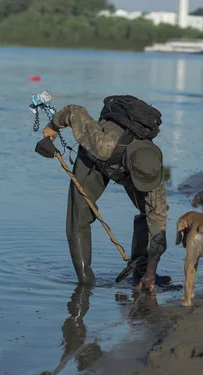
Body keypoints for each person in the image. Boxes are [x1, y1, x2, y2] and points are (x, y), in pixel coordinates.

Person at [38, 96, 170, 291]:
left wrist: (151, 272)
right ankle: (85, 282)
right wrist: (53, 126)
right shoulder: (102, 144)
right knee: (79, 214)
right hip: (97, 158)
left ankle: (141, 273)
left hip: (125, 163)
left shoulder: (152, 171)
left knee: (149, 212)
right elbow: (73, 111)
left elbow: (158, 226)